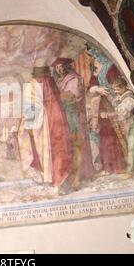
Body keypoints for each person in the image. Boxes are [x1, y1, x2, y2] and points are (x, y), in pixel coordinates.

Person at [17, 66, 73, 189]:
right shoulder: (51, 81)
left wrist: (27, 126)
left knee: (40, 148)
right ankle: (60, 180)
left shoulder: (33, 84)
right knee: (59, 148)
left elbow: (32, 107)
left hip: (43, 122)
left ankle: (49, 179)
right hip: (57, 118)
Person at [53, 58, 94, 189]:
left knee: (77, 146)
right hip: (64, 117)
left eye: (62, 66)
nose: (60, 69)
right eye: (57, 67)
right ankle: (70, 175)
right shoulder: (59, 81)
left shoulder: (74, 78)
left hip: (74, 116)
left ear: (67, 67)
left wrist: (55, 98)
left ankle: (78, 177)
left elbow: (73, 96)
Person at [87, 48, 127, 175]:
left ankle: (119, 165)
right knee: (104, 134)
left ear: (95, 55)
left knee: (115, 134)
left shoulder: (110, 67)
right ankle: (108, 166)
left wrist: (106, 91)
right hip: (102, 106)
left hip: (113, 104)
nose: (88, 59)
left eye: (89, 56)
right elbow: (91, 86)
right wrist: (97, 89)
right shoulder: (95, 70)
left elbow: (118, 85)